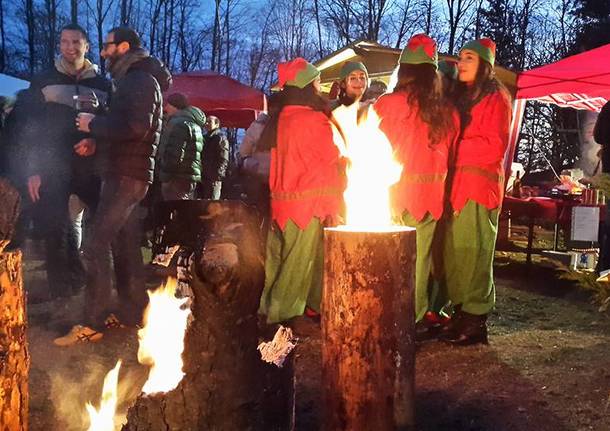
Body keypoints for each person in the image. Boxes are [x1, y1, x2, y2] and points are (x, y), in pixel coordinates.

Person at [70, 26, 171, 337]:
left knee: (93, 246)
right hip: (127, 172)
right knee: (125, 247)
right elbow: (129, 130)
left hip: (127, 176)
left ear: (124, 46)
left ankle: (92, 322)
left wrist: (94, 123)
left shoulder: (139, 80)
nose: (103, 52)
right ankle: (134, 313)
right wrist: (96, 142)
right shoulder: (134, 79)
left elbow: (137, 127)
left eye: (107, 46)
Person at [18, 24, 111, 299]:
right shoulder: (44, 80)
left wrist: (96, 141)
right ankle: (62, 295)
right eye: (64, 42)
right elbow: (28, 126)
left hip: (90, 168)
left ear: (87, 46)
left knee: (103, 226)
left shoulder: (103, 85)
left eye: (76, 42)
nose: (70, 47)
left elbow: (112, 124)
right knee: (55, 230)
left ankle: (98, 289)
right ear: (59, 45)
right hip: (52, 166)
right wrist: (33, 169)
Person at [374, 34, 460, 328]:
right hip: (429, 198)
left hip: (392, 197)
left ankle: (386, 312)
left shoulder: (386, 105)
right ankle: (414, 316)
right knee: (419, 261)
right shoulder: (448, 112)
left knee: (388, 259)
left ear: (404, 71)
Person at [258, 58, 346, 324]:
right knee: (298, 262)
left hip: (284, 201)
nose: (321, 86)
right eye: (317, 81)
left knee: (278, 259)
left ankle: (268, 308)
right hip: (308, 203)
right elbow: (332, 154)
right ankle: (283, 316)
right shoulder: (312, 119)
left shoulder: (283, 117)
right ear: (308, 85)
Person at [440, 38, 512, 345]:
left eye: (469, 57)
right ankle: (460, 311)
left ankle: (475, 317)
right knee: (456, 253)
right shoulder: (462, 98)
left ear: (484, 63)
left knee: (475, 251)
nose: (461, 63)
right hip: (456, 185)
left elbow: (493, 146)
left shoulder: (495, 97)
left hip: (479, 187)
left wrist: (452, 145)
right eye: (460, 57)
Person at [156, 92, 206, 200]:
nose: (166, 108)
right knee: (184, 209)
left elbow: (175, 154)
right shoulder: (193, 124)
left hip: (176, 177)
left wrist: (165, 177)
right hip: (188, 176)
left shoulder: (179, 124)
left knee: (175, 210)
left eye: (168, 105)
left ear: (175, 106)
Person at [200, 115, 229, 199]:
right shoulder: (204, 138)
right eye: (206, 121)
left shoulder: (220, 138)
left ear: (216, 124)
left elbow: (224, 158)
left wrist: (218, 175)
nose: (207, 123)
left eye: (210, 122)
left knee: (213, 203)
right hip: (204, 176)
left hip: (214, 177)